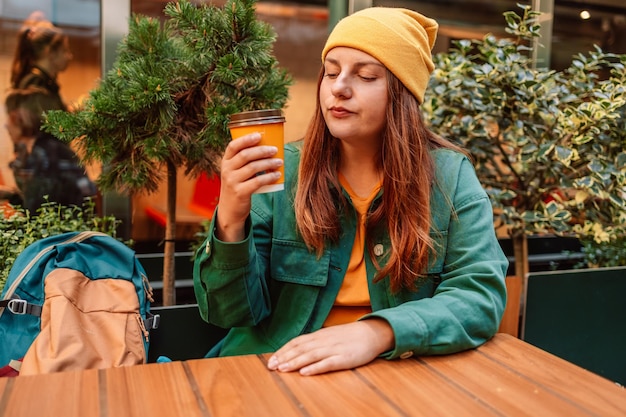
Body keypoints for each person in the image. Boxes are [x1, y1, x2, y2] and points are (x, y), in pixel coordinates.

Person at [193, 7, 509, 376]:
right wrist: (231, 215)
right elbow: (229, 313)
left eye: (365, 75)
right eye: (331, 72)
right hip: (274, 369)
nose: (339, 87)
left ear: (401, 93)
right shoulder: (284, 170)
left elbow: (479, 297)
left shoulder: (450, 177)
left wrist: (376, 333)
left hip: (395, 373)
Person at [2, 88, 96, 212]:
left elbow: (40, 212)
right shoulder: (48, 149)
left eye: (10, 116)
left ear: (22, 118)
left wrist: (12, 197)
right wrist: (10, 196)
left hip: (68, 230)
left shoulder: (46, 154)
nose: (6, 125)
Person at [10, 17, 72, 112]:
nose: (70, 56)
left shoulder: (46, 83)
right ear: (51, 53)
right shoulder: (35, 85)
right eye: (65, 50)